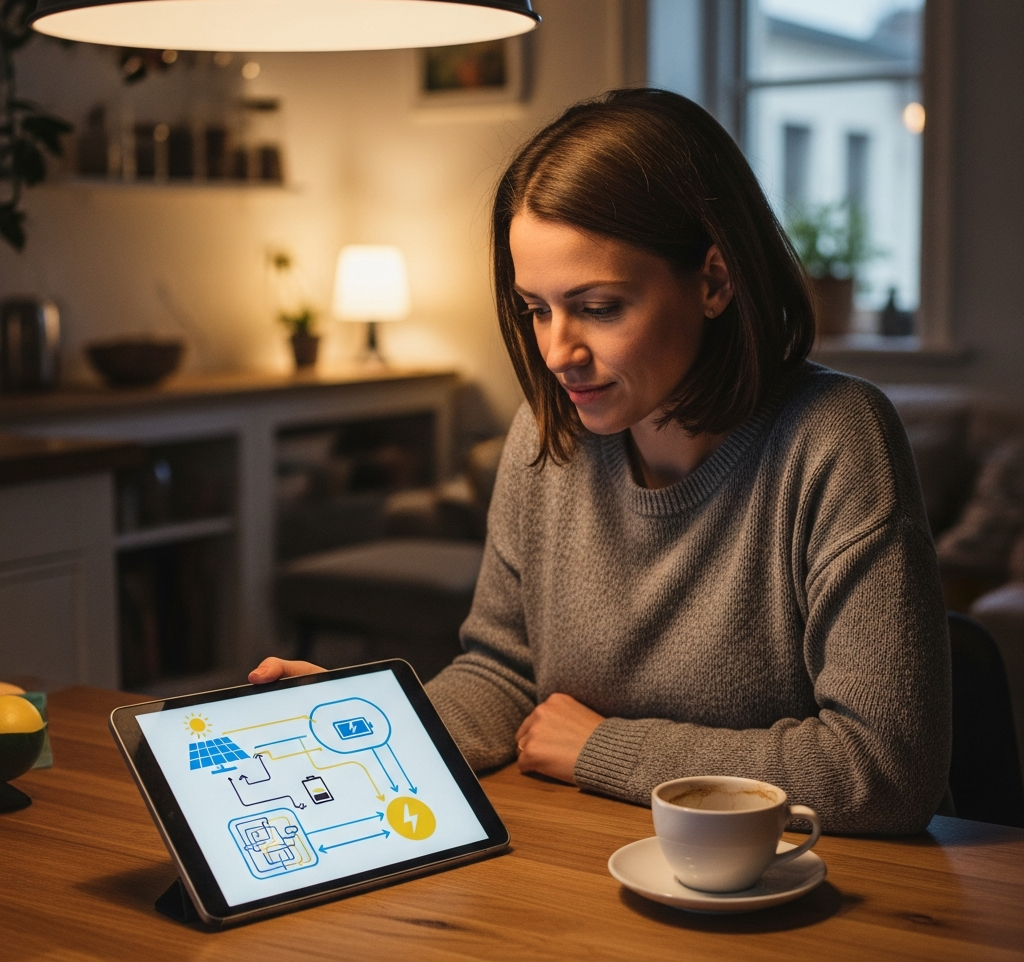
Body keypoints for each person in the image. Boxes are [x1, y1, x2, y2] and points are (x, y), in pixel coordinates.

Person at [252, 89, 951, 835]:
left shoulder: (836, 437)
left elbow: (884, 770)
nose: (557, 354)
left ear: (714, 281)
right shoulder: (543, 438)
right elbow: (505, 673)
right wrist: (374, 726)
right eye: (536, 308)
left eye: (599, 306)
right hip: (592, 859)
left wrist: (603, 749)